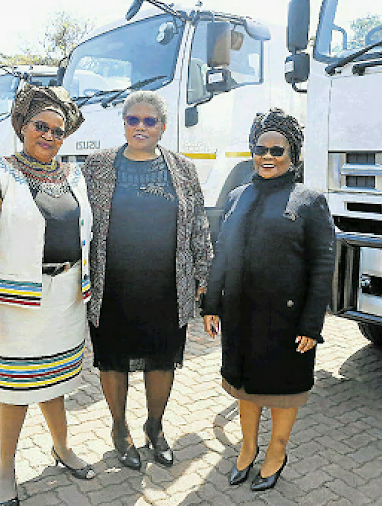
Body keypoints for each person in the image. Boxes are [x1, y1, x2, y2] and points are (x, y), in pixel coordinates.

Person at [0, 85, 93, 506]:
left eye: (58, 130)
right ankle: (5, 468)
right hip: (15, 306)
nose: (50, 136)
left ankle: (61, 448)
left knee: (54, 384)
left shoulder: (74, 174)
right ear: (22, 126)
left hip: (65, 300)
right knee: (15, 389)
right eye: (41, 126)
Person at [202, 108, 335, 492]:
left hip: (288, 320)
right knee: (245, 387)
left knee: (282, 389)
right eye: (261, 149)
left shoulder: (310, 201)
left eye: (278, 151)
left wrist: (312, 324)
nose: (268, 157)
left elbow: (323, 266)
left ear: (292, 155)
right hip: (241, 314)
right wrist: (212, 303)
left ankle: (276, 452)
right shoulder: (238, 196)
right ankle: (246, 449)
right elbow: (221, 252)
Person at [82, 90, 213, 470]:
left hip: (166, 287)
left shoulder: (183, 169)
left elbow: (199, 224)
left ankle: (154, 427)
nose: (140, 127)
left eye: (149, 121)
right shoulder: (98, 166)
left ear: (162, 127)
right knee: (113, 362)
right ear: (124, 124)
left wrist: (204, 276)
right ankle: (119, 429)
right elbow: (82, 223)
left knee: (162, 362)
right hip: (113, 287)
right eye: (132, 120)